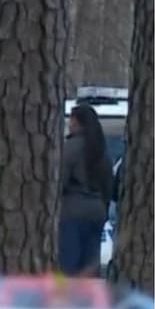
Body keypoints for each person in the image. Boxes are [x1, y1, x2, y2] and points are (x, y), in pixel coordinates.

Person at [59, 104, 112, 276]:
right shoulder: (101, 149)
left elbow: (60, 180)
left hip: (72, 213)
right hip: (97, 212)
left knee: (68, 266)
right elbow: (108, 185)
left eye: (71, 120)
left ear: (77, 123)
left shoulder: (71, 147)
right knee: (90, 267)